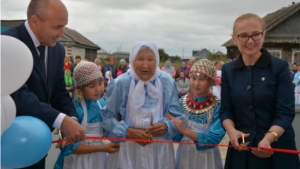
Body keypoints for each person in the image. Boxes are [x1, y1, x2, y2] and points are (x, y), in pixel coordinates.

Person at [1, 0, 86, 168]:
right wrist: (61, 121)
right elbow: (17, 95)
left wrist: (71, 119)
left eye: (64, 26)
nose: (62, 33)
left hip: (36, 146)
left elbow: (59, 92)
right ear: (35, 21)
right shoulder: (7, 44)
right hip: (8, 145)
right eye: (56, 27)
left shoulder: (57, 49)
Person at [220, 13, 300, 169]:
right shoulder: (228, 70)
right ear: (235, 39)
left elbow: (285, 112)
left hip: (277, 149)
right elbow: (226, 110)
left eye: (256, 34)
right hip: (242, 149)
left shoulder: (280, 67)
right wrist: (231, 131)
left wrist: (269, 138)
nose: (250, 41)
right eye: (243, 36)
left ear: (263, 34)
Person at [102, 41, 185, 169]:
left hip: (160, 153)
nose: (145, 64)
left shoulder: (166, 81)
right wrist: (127, 131)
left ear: (157, 61)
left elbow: (178, 116)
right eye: (140, 59)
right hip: (126, 153)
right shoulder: (121, 83)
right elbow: (106, 118)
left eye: (150, 59)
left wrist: (166, 126)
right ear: (132, 60)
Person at [54, 61, 120, 169]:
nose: (98, 89)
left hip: (98, 160)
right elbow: (68, 148)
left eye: (100, 83)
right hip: (77, 162)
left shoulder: (102, 104)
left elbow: (107, 129)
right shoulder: (75, 109)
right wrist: (102, 148)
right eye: (92, 86)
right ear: (80, 89)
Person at [171, 59, 225, 169]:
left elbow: (214, 137)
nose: (196, 83)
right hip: (184, 154)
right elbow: (176, 137)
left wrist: (185, 130)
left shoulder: (218, 106)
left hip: (207, 157)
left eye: (202, 79)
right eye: (193, 78)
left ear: (211, 82)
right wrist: (170, 123)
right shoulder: (181, 102)